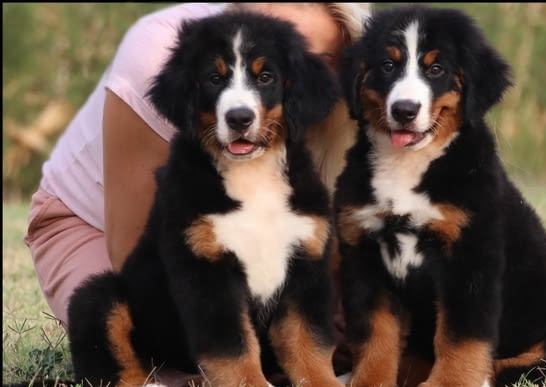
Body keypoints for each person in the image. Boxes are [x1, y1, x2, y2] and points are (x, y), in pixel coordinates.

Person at [24, 2, 371, 328]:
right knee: (160, 348)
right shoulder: (159, 55)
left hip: (255, 238)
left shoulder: (354, 96)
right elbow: (132, 256)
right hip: (97, 225)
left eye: (314, 61)